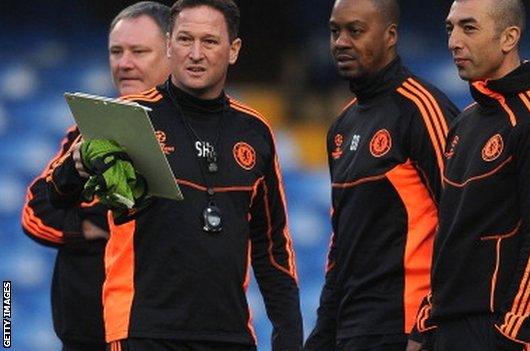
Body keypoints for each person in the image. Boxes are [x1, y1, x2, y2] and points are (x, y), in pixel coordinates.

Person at [45, 0, 304, 350]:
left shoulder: (255, 130)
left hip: (229, 334)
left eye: (209, 42)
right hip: (143, 329)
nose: (195, 53)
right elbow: (52, 196)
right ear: (169, 46)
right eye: (185, 39)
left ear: (234, 50)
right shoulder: (126, 117)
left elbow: (272, 245)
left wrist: (288, 336)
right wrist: (75, 167)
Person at [413, 0, 530, 350]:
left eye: (469, 27)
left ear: (509, 38)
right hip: (449, 330)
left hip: (507, 332)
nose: (453, 41)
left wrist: (512, 331)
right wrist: (425, 323)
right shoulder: (464, 122)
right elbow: (451, 233)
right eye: (450, 28)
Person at [304, 0, 458, 350]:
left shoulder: (422, 109)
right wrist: (323, 333)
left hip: (406, 330)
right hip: (351, 330)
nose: (341, 42)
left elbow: (462, 221)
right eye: (334, 31)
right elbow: (340, 246)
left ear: (390, 36)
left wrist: (426, 326)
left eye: (355, 31)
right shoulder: (341, 128)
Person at [20, 2, 171, 351]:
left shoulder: (192, 135)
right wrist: (85, 228)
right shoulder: (87, 130)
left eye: (139, 51)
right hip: (83, 336)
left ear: (171, 54)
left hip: (156, 332)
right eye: (116, 51)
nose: (124, 63)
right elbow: (35, 212)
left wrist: (116, 227)